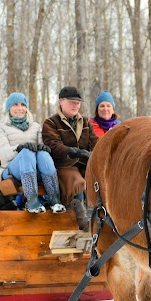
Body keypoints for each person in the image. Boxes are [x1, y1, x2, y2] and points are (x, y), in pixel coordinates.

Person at [0, 92, 65, 214]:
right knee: (27, 152)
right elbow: (3, 154)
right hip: (11, 169)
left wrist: (45, 148)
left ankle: (55, 200)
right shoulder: (0, 127)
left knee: (43, 154)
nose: (20, 108)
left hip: (34, 169)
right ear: (8, 108)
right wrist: (19, 148)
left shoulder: (36, 126)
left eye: (23, 105)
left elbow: (42, 145)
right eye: (15, 105)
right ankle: (32, 200)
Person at [42, 86, 98, 229]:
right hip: (64, 165)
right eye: (71, 102)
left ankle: (101, 220)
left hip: (85, 165)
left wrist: (97, 153)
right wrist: (74, 152)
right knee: (78, 182)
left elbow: (95, 142)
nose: (75, 105)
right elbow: (53, 144)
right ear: (61, 101)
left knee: (100, 178)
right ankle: (79, 222)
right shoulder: (51, 122)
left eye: (78, 102)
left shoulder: (86, 122)